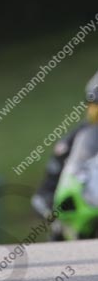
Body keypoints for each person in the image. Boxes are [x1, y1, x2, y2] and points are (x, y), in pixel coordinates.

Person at [32, 71, 98, 216]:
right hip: (85, 207)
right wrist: (47, 200)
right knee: (59, 229)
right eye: (95, 106)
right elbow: (46, 190)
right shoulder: (78, 136)